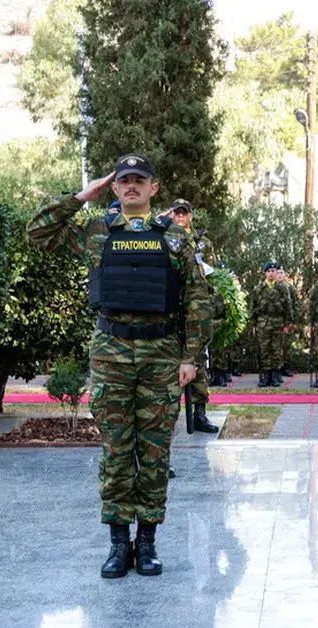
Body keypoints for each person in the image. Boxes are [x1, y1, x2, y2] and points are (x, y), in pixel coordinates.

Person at [27, 153, 211, 579]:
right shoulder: (97, 231)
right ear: (113, 187)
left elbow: (197, 300)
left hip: (160, 355)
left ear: (153, 188)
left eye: (139, 180)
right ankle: (117, 543)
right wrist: (81, 195)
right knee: (115, 452)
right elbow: (38, 230)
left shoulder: (175, 238)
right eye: (124, 180)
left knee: (154, 452)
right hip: (110, 353)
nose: (131, 185)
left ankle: (146, 542)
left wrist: (190, 358)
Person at [164, 198, 218, 433]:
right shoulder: (163, 238)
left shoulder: (202, 242)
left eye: (183, 213)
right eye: (176, 212)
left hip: (196, 306)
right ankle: (168, 416)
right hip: (170, 308)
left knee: (197, 360)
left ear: (190, 216)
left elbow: (212, 274)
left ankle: (200, 414)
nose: (180, 216)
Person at [251, 262, 291, 387]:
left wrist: (287, 324)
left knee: (276, 351)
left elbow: (288, 307)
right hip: (263, 324)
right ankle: (265, 376)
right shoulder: (259, 288)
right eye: (268, 271)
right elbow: (253, 308)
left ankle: (275, 376)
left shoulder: (282, 288)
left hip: (278, 323)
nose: (271, 273)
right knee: (264, 350)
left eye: (273, 271)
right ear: (265, 273)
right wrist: (254, 325)